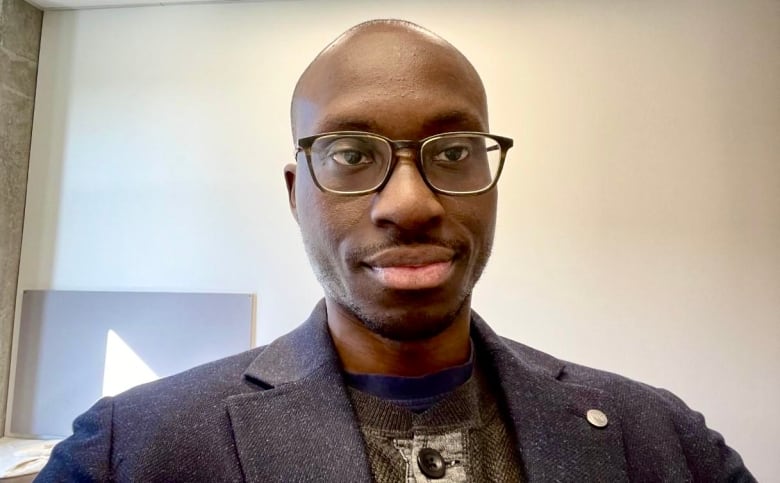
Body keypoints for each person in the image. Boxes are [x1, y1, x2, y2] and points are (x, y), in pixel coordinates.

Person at [36, 19, 754, 482]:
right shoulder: (129, 452)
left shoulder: (664, 442)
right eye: (350, 152)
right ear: (296, 191)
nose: (409, 203)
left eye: (453, 150)